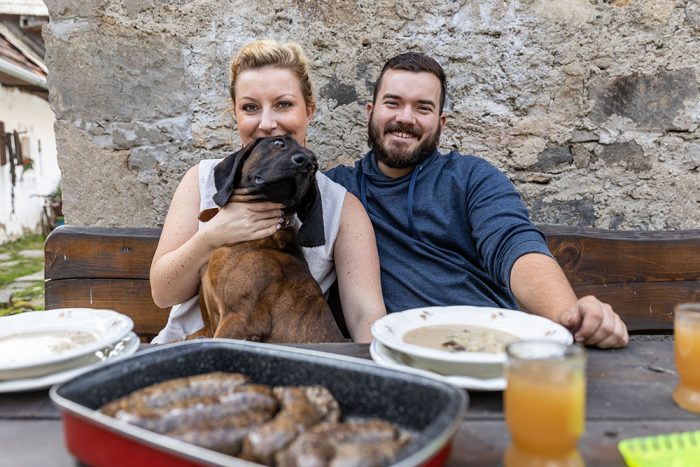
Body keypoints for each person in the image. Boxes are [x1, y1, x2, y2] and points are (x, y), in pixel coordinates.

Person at [326, 52, 628, 349]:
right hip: (407, 356)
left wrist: (569, 315)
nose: (405, 118)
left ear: (441, 122)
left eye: (423, 108)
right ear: (370, 112)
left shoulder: (472, 178)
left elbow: (514, 244)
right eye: (393, 103)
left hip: (489, 346)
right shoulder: (337, 189)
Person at [150, 40, 385, 344]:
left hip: (282, 365)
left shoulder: (340, 207)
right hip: (180, 351)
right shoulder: (203, 180)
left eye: (283, 104)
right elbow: (163, 293)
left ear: (308, 111)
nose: (267, 123)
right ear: (235, 114)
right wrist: (213, 235)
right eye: (250, 108)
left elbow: (365, 314)